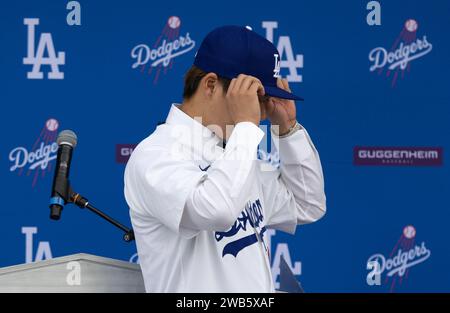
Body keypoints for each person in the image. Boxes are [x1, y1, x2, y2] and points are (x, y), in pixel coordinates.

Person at [124, 25, 326, 292]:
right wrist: (245, 127)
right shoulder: (155, 154)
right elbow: (214, 209)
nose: (260, 111)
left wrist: (288, 129)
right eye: (253, 96)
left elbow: (307, 204)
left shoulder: (233, 154)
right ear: (210, 85)